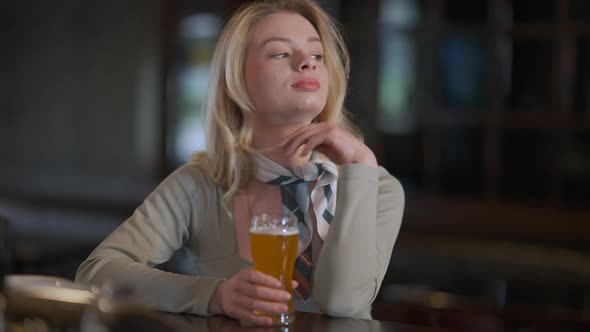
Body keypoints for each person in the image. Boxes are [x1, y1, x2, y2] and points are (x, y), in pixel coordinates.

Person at [75, 0, 404, 326]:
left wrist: (361, 165)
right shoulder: (200, 183)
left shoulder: (380, 188)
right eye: (281, 53)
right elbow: (95, 272)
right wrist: (214, 295)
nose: (307, 63)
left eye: (317, 54)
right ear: (236, 80)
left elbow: (342, 303)